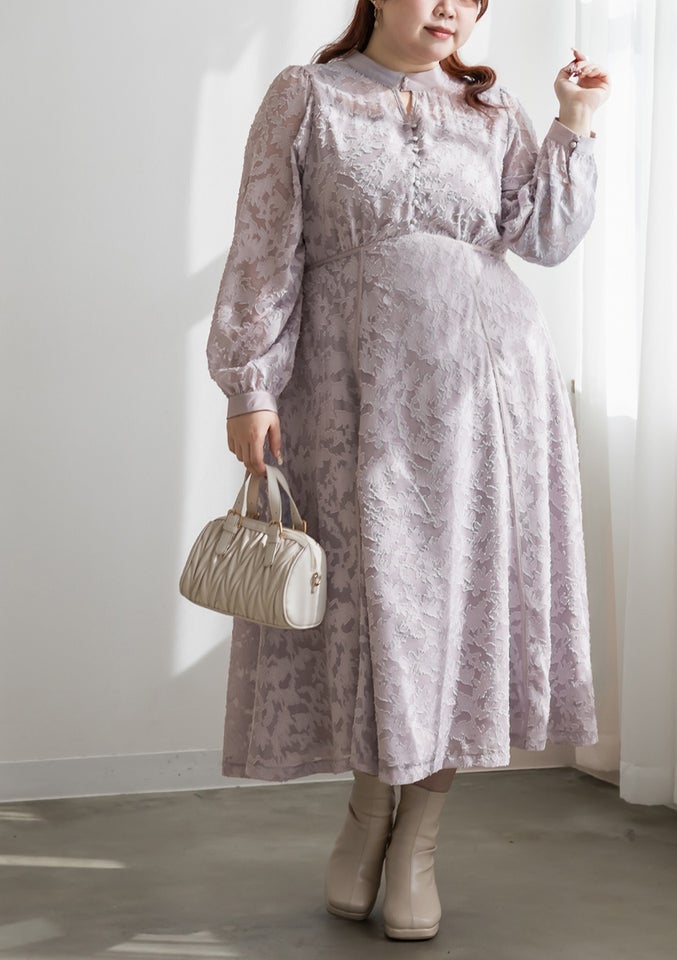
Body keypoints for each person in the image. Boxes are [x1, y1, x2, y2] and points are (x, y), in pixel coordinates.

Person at [206, 0, 611, 942]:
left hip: (489, 397)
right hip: (352, 400)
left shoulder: (492, 108)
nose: (451, 9)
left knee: (457, 615)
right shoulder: (309, 97)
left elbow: (544, 238)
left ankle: (418, 840)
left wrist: (574, 120)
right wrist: (249, 385)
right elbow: (265, 247)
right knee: (376, 609)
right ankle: (366, 814)